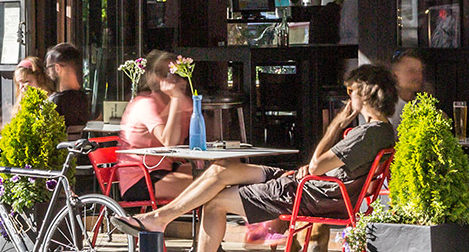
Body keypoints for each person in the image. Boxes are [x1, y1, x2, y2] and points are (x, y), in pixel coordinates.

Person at [135, 65, 399, 252]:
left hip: (313, 194)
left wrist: (336, 125)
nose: (348, 97)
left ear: (364, 94)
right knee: (223, 168)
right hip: (315, 187)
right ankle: (160, 218)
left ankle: (159, 219)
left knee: (214, 203)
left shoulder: (368, 133)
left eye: (351, 91)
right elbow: (322, 168)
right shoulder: (383, 131)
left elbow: (318, 164)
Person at [115, 50, 197, 205]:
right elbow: (170, 142)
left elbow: (182, 145)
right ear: (156, 78)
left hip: (164, 171)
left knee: (219, 174)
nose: (181, 81)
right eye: (173, 74)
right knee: (207, 185)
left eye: (181, 74)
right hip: (141, 178)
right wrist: (175, 99)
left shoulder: (176, 103)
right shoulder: (145, 103)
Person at [44, 43, 93, 128]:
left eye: (48, 67)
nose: (48, 73)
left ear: (57, 68)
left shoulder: (54, 103)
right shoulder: (87, 99)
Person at [390, 50, 428, 125]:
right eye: (411, 71)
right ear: (395, 74)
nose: (419, 76)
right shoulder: (386, 107)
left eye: (420, 71)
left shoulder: (422, 104)